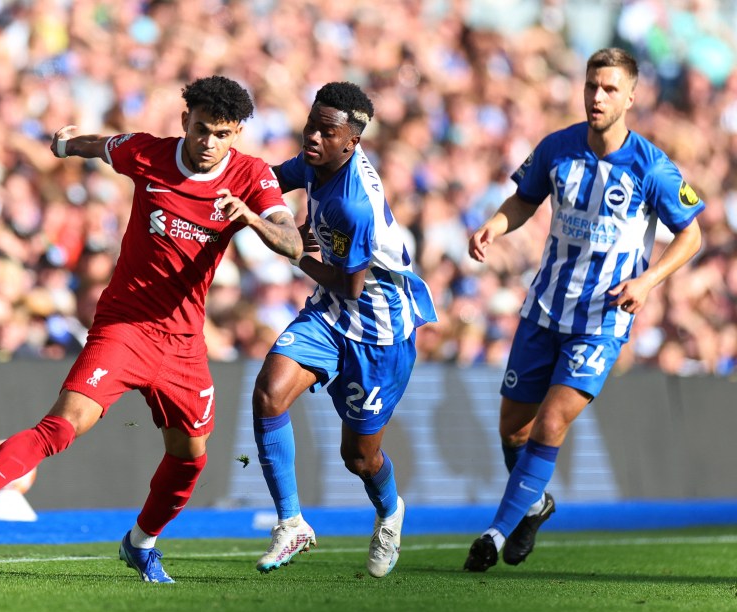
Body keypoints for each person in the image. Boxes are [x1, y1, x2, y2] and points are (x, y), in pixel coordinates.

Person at [0, 76, 302, 583]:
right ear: (184, 122)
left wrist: (252, 218)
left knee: (189, 459)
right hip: (125, 327)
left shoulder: (250, 175)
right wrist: (65, 144)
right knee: (61, 426)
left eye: (220, 134)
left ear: (237, 132)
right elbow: (102, 145)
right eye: (200, 130)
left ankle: (141, 542)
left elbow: (292, 243)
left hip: (184, 343)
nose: (208, 143)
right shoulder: (148, 154)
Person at [463, 48, 704, 572]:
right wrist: (494, 225)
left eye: (610, 89)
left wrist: (648, 280)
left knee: (552, 422)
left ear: (632, 97)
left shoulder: (651, 166)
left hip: (602, 318)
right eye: (593, 86)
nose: (598, 97)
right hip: (545, 306)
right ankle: (535, 504)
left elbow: (692, 234)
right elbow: (524, 199)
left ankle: (495, 533)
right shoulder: (556, 147)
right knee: (513, 428)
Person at [250, 82, 438, 578]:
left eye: (324, 130)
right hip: (330, 315)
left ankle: (390, 512)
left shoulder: (356, 203)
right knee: (269, 394)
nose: (311, 135)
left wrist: (296, 251)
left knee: (359, 458)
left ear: (350, 142)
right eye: (310, 123)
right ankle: (291, 523)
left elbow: (351, 286)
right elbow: (268, 180)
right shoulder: (316, 160)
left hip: (379, 332)